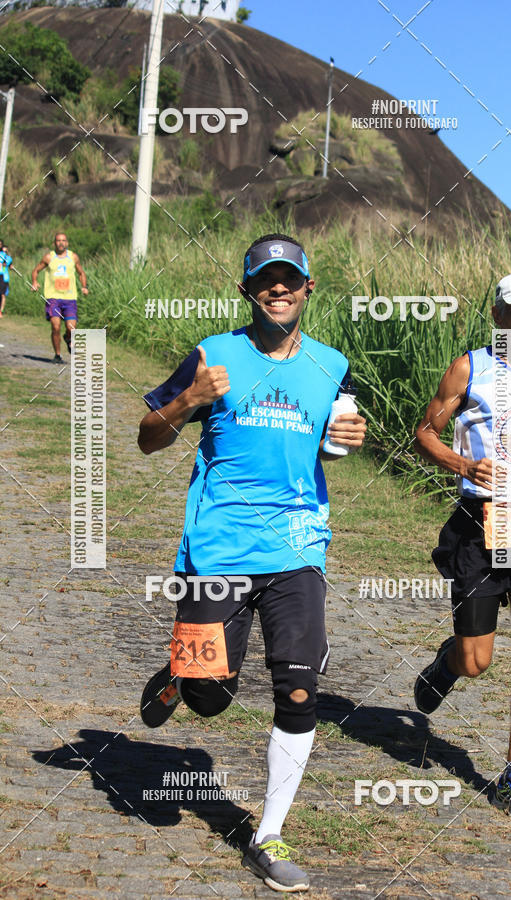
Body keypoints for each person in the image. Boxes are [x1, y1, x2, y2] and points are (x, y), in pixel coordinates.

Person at [138, 233, 366, 892]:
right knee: (212, 698)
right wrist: (186, 402)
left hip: (297, 549)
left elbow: (319, 444)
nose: (278, 289)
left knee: (300, 688)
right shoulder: (213, 356)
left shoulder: (333, 365)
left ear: (306, 288)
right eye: (266, 279)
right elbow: (147, 437)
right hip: (220, 549)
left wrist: (342, 439)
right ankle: (183, 676)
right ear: (247, 290)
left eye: (289, 279)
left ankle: (268, 835)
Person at [412, 272, 511, 823]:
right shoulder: (472, 367)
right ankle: (447, 663)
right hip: (479, 529)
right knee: (477, 659)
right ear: (497, 315)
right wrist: (462, 463)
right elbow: (426, 432)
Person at [31, 232, 88, 363]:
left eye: (63, 240)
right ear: (54, 243)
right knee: (55, 326)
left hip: (70, 298)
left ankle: (68, 338)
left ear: (67, 243)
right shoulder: (48, 258)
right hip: (53, 298)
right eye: (58, 241)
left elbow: (81, 273)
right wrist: (35, 282)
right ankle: (57, 355)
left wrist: (84, 286)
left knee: (71, 328)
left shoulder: (73, 257)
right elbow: (35, 271)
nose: (61, 243)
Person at [0, 241, 13, 317]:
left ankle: (1, 311)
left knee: (3, 295)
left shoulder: (8, 258)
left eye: (6, 251)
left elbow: (10, 265)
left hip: (4, 278)